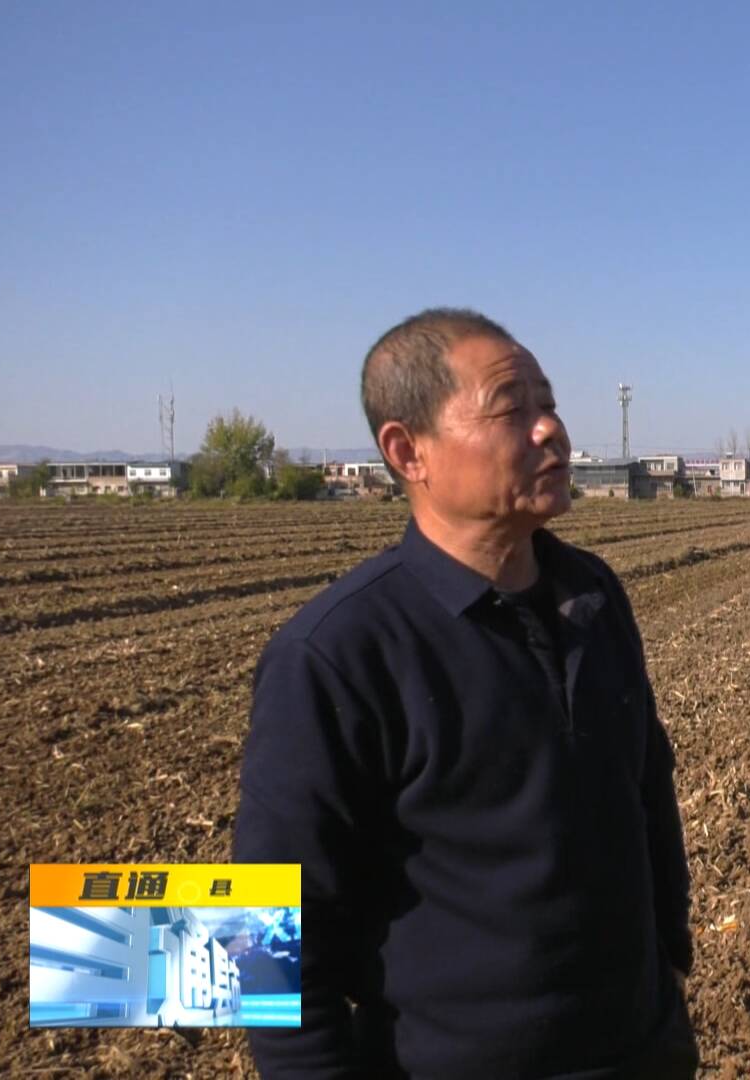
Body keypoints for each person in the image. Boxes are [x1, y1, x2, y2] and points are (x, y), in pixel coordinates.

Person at [234, 308, 697, 1078]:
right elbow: (267, 941)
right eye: (512, 408)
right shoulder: (335, 656)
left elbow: (648, 791)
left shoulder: (594, 594)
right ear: (407, 451)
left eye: (549, 404)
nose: (551, 430)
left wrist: (669, 968)